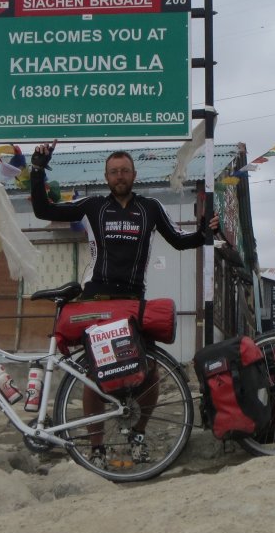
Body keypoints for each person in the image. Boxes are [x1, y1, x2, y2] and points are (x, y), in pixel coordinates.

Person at [29, 143, 217, 468]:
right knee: (95, 374)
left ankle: (138, 435)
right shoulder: (92, 207)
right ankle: (97, 447)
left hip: (132, 302)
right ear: (106, 176)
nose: (120, 176)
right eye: (114, 172)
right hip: (98, 299)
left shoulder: (151, 208)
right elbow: (44, 211)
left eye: (125, 171)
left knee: (150, 373)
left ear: (134, 175)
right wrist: (37, 170)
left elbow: (178, 240)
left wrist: (203, 233)